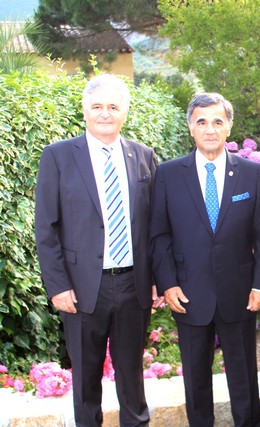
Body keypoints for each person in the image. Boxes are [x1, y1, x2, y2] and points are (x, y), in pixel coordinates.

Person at [35, 74, 163, 426]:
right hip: (80, 288)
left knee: (132, 377)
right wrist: (58, 285)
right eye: (97, 106)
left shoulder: (143, 156)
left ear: (125, 112)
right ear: (85, 110)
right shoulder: (58, 156)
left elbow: (155, 226)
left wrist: (157, 278)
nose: (105, 113)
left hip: (133, 286)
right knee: (86, 379)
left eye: (113, 107)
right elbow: (46, 227)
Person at [149, 93, 260, 427]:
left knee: (244, 376)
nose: (210, 129)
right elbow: (159, 235)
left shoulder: (250, 173)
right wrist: (168, 284)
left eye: (218, 121)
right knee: (195, 379)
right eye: (202, 121)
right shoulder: (168, 174)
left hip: (240, 292)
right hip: (188, 294)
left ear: (228, 127)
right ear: (190, 127)